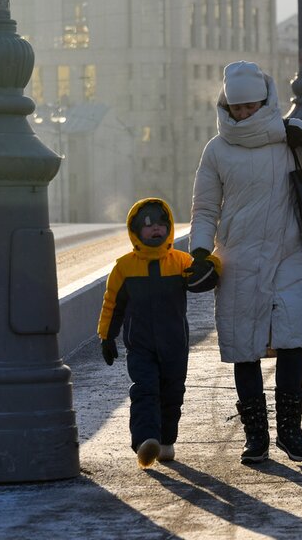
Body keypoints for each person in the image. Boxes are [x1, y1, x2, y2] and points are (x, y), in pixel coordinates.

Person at [188, 61, 302, 464]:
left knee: (293, 341)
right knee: (245, 348)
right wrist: (201, 252)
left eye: (250, 106)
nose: (243, 114)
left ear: (266, 100)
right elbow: (205, 208)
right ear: (225, 105)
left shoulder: (292, 136)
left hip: (290, 255)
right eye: (236, 107)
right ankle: (256, 436)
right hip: (239, 259)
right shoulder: (217, 149)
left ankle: (290, 432)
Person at [97, 197, 220, 468]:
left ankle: (165, 442)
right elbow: (112, 303)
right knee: (145, 391)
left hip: (175, 345)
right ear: (135, 230)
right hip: (140, 346)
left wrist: (212, 267)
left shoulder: (179, 261)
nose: (155, 230)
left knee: (172, 394)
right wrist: (107, 336)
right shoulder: (124, 267)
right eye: (147, 225)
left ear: (169, 228)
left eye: (161, 225)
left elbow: (202, 280)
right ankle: (145, 441)